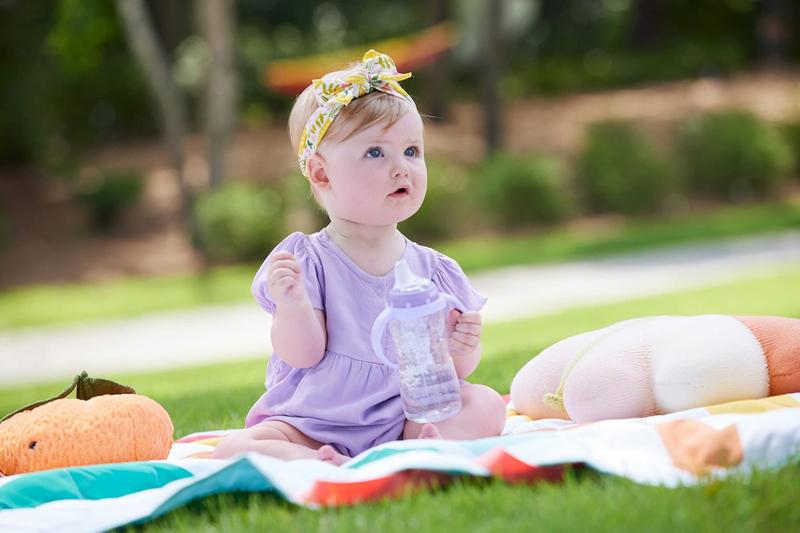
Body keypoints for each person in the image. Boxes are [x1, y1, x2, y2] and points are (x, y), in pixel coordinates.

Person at [214, 50, 506, 465]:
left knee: (487, 405)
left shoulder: (434, 269)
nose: (401, 168)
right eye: (375, 153)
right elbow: (303, 355)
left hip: (406, 414)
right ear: (321, 174)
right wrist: (292, 304)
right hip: (312, 422)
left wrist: (462, 345)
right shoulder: (307, 260)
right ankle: (311, 458)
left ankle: (410, 445)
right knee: (233, 448)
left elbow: (452, 371)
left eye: (411, 151)